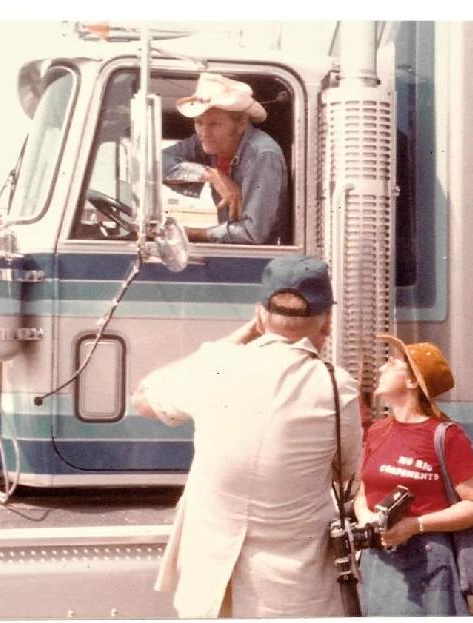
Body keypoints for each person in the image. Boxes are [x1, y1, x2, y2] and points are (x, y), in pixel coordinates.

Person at [131, 255, 362, 618]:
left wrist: (235, 339)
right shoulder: (337, 387)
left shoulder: (218, 365)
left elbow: (143, 399)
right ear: (327, 321)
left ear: (260, 313)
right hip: (294, 593)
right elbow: (346, 471)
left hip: (212, 583)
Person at [353, 335, 473, 616]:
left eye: (392, 364)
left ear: (413, 382)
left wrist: (414, 525)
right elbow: (362, 495)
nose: (380, 369)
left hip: (426, 564)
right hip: (378, 562)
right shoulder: (377, 431)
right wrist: (368, 519)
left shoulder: (447, 435)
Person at [163, 72, 290, 245]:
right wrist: (210, 175)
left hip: (265, 263)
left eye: (214, 124)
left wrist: (191, 233)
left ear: (241, 124)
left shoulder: (262, 155)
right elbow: (157, 163)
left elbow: (253, 234)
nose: (204, 133)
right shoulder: (206, 142)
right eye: (199, 122)